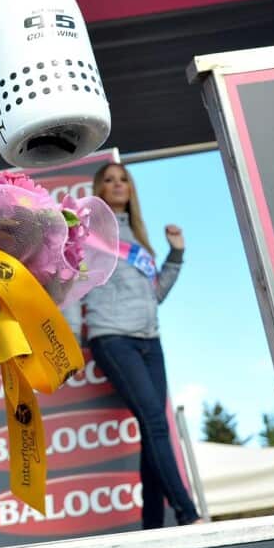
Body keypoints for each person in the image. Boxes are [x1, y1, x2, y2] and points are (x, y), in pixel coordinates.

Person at [65, 162, 201, 528]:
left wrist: (175, 254)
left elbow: (155, 295)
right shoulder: (90, 233)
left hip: (150, 341)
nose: (117, 184)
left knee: (151, 427)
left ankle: (153, 526)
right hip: (113, 337)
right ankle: (188, 514)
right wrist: (73, 342)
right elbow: (74, 286)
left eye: (123, 179)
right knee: (156, 423)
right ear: (99, 189)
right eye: (109, 180)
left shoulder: (139, 239)